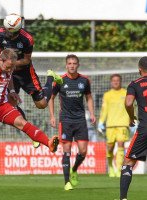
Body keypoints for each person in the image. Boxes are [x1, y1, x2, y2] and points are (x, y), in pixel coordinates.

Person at [0, 13, 63, 148]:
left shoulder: (27, 39)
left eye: (10, 31)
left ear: (17, 30)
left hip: (25, 73)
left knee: (42, 104)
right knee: (11, 105)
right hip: (9, 73)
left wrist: (11, 63)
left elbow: (26, 60)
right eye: (6, 29)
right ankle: (33, 134)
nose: (7, 33)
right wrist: (3, 66)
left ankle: (51, 77)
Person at [48, 54, 96, 191]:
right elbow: (51, 98)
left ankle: (74, 169)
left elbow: (89, 97)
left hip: (80, 120)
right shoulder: (60, 81)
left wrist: (92, 113)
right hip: (65, 120)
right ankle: (66, 182)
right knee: (66, 151)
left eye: (74, 63)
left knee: (83, 151)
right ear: (66, 65)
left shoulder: (85, 80)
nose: (72, 65)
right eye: (69, 63)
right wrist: (52, 116)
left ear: (78, 65)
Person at [119, 57, 147, 200]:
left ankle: (123, 198)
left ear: (139, 69)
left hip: (145, 128)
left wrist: (131, 117)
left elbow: (129, 103)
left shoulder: (135, 84)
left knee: (128, 162)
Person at [98, 74, 130, 178]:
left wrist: (133, 120)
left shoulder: (126, 93)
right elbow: (104, 109)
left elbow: (131, 107)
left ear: (120, 81)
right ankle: (111, 166)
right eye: (114, 80)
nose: (116, 82)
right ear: (111, 82)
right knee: (110, 148)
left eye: (117, 80)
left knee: (121, 145)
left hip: (123, 124)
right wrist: (101, 122)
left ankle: (119, 169)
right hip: (110, 125)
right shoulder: (107, 95)